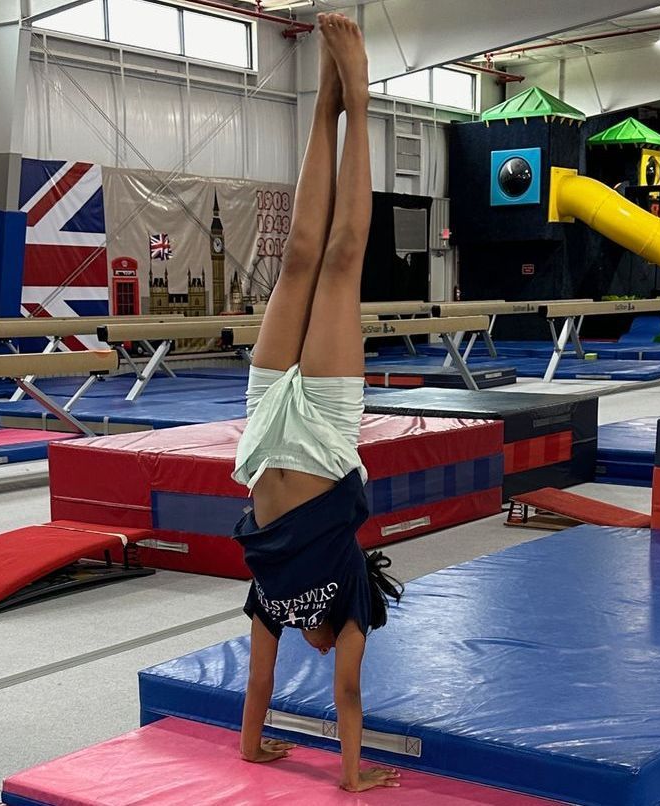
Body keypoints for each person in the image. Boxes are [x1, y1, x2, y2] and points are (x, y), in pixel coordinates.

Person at [232, 14, 402, 793]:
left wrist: (251, 749)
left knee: (296, 258)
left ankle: (323, 101)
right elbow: (349, 697)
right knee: (340, 264)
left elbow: (258, 688)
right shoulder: (353, 601)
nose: (319, 647)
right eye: (323, 644)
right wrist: (351, 775)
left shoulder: (273, 603)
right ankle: (357, 99)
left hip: (266, 431)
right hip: (327, 441)